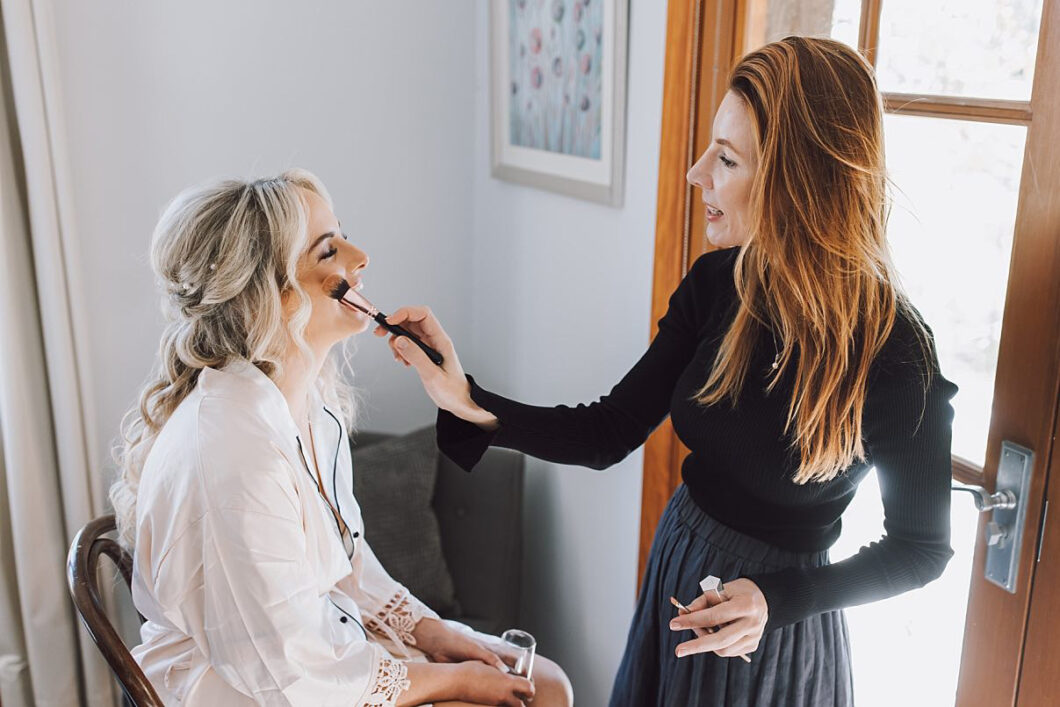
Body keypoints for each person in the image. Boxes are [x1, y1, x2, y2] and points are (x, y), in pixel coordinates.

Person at [379, 37, 958, 707]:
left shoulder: (894, 350)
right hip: (680, 564)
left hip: (773, 628)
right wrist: (464, 398)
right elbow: (611, 429)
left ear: (796, 184)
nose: (695, 172)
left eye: (728, 158)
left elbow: (922, 548)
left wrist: (778, 599)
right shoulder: (719, 284)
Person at [110, 169, 573, 706]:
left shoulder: (307, 403)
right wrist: (452, 680)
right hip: (248, 688)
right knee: (540, 694)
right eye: (328, 251)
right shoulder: (234, 450)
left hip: (310, 651)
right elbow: (290, 669)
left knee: (547, 682)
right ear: (271, 292)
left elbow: (342, 557)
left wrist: (426, 629)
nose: (360, 257)